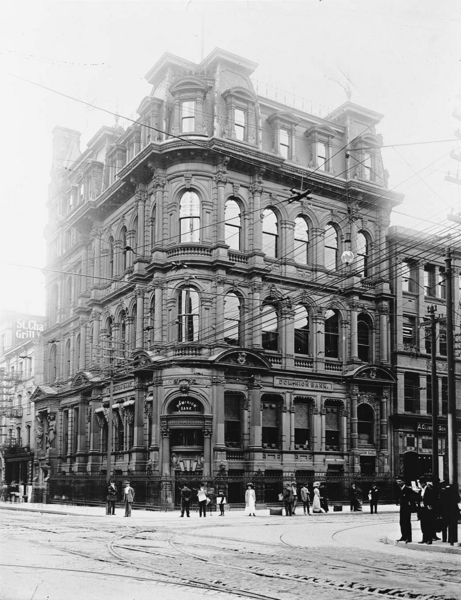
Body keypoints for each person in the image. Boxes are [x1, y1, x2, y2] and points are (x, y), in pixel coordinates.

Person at [417, 477, 436, 544]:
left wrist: (430, 506)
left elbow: (433, 499)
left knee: (428, 524)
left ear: (424, 483)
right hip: (422, 509)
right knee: (423, 525)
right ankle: (424, 538)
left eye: (421, 483)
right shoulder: (420, 491)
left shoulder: (429, 490)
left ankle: (429, 539)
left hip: (427, 510)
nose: (420, 484)